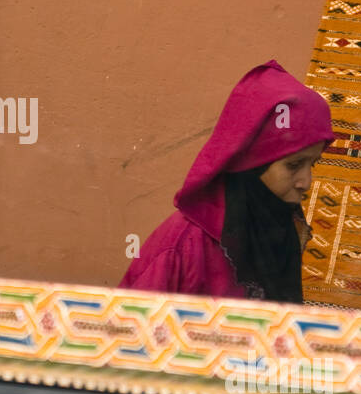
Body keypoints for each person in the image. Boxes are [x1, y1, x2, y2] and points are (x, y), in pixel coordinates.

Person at [118, 59, 339, 303]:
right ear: (253, 162)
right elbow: (132, 330)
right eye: (294, 165)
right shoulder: (184, 247)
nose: (305, 182)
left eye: (313, 164)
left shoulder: (278, 231)